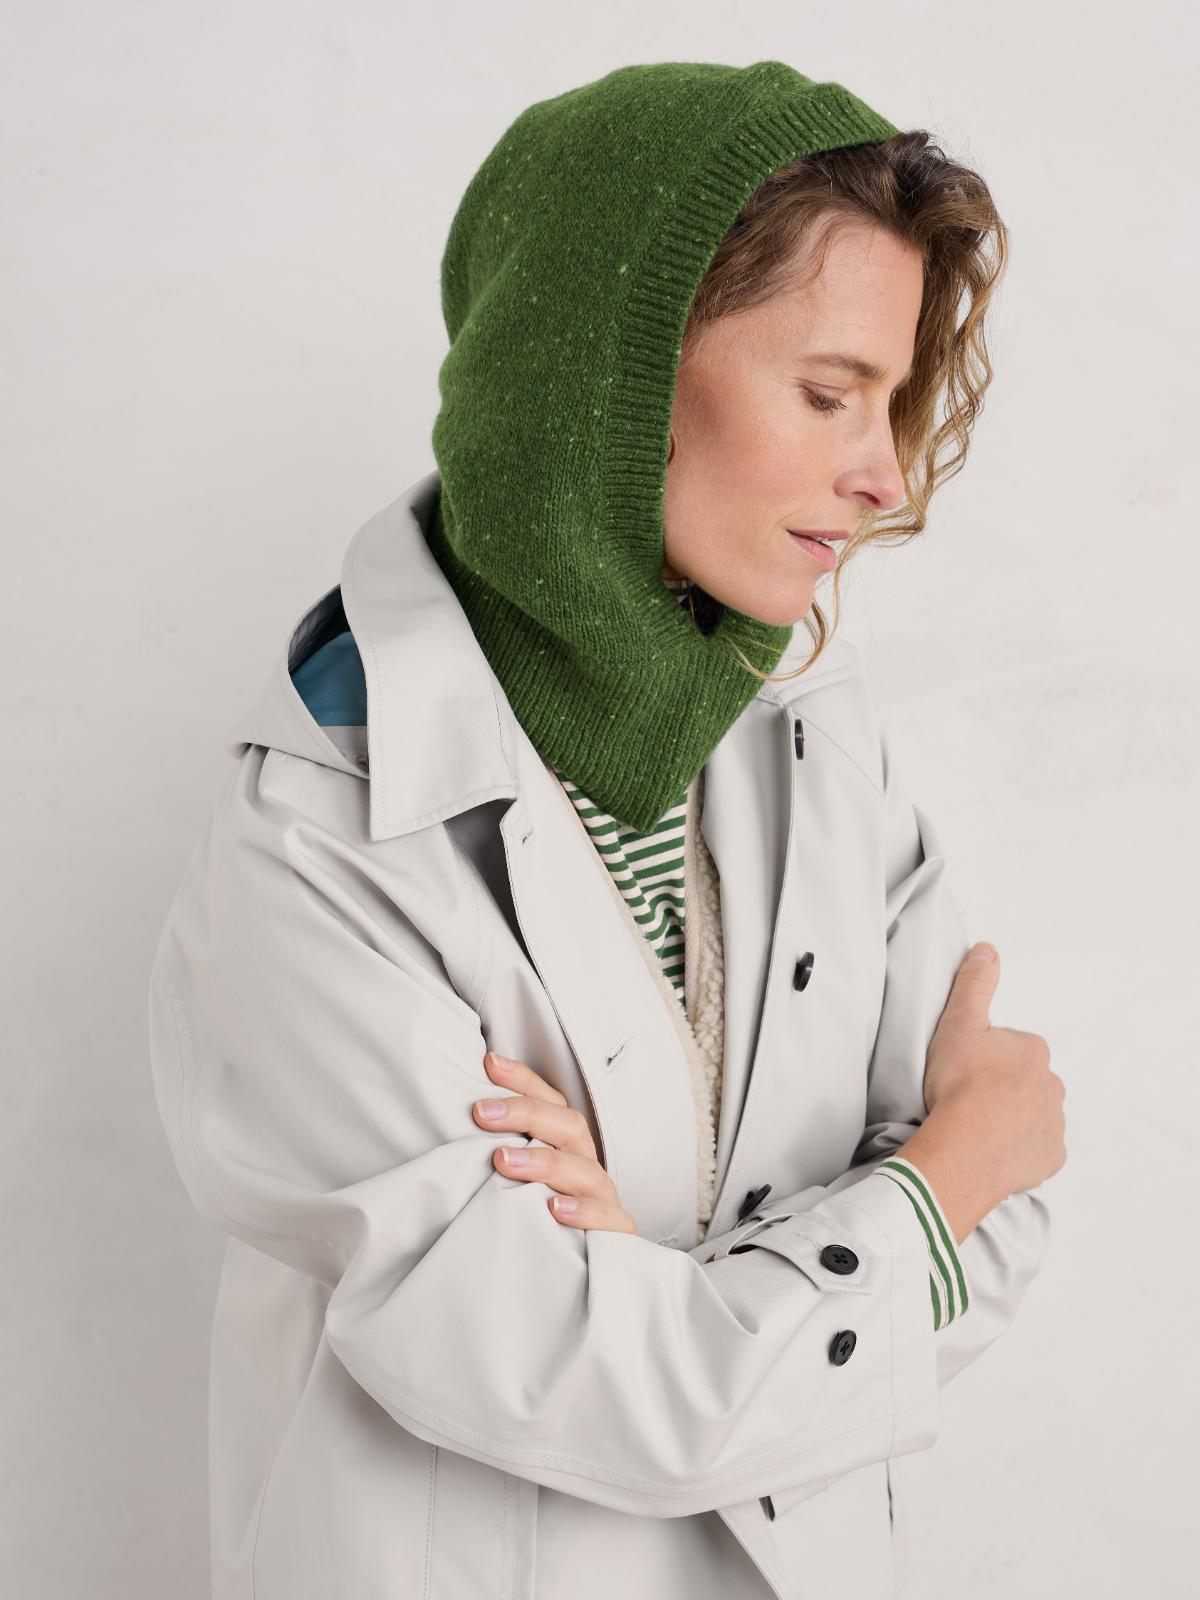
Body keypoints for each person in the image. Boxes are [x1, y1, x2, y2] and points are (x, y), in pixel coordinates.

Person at [147, 60, 1067, 1600]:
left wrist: (655, 1264)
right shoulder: (313, 838)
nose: (884, 474)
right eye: (828, 393)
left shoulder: (813, 731)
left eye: (891, 400)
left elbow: (1012, 1201)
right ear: (614, 380)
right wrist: (923, 1187)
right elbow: (587, 1381)